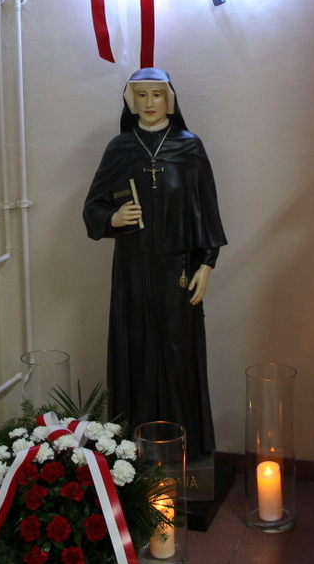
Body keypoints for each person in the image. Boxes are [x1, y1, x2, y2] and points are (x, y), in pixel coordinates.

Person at [83, 68, 226, 458]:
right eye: (142, 95)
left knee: (178, 354)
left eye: (156, 94)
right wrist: (113, 218)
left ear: (170, 99)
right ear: (132, 100)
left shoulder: (189, 147)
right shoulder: (120, 148)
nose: (149, 103)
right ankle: (134, 452)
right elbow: (93, 208)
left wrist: (207, 264)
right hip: (132, 268)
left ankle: (184, 447)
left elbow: (207, 210)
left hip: (178, 269)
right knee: (137, 351)